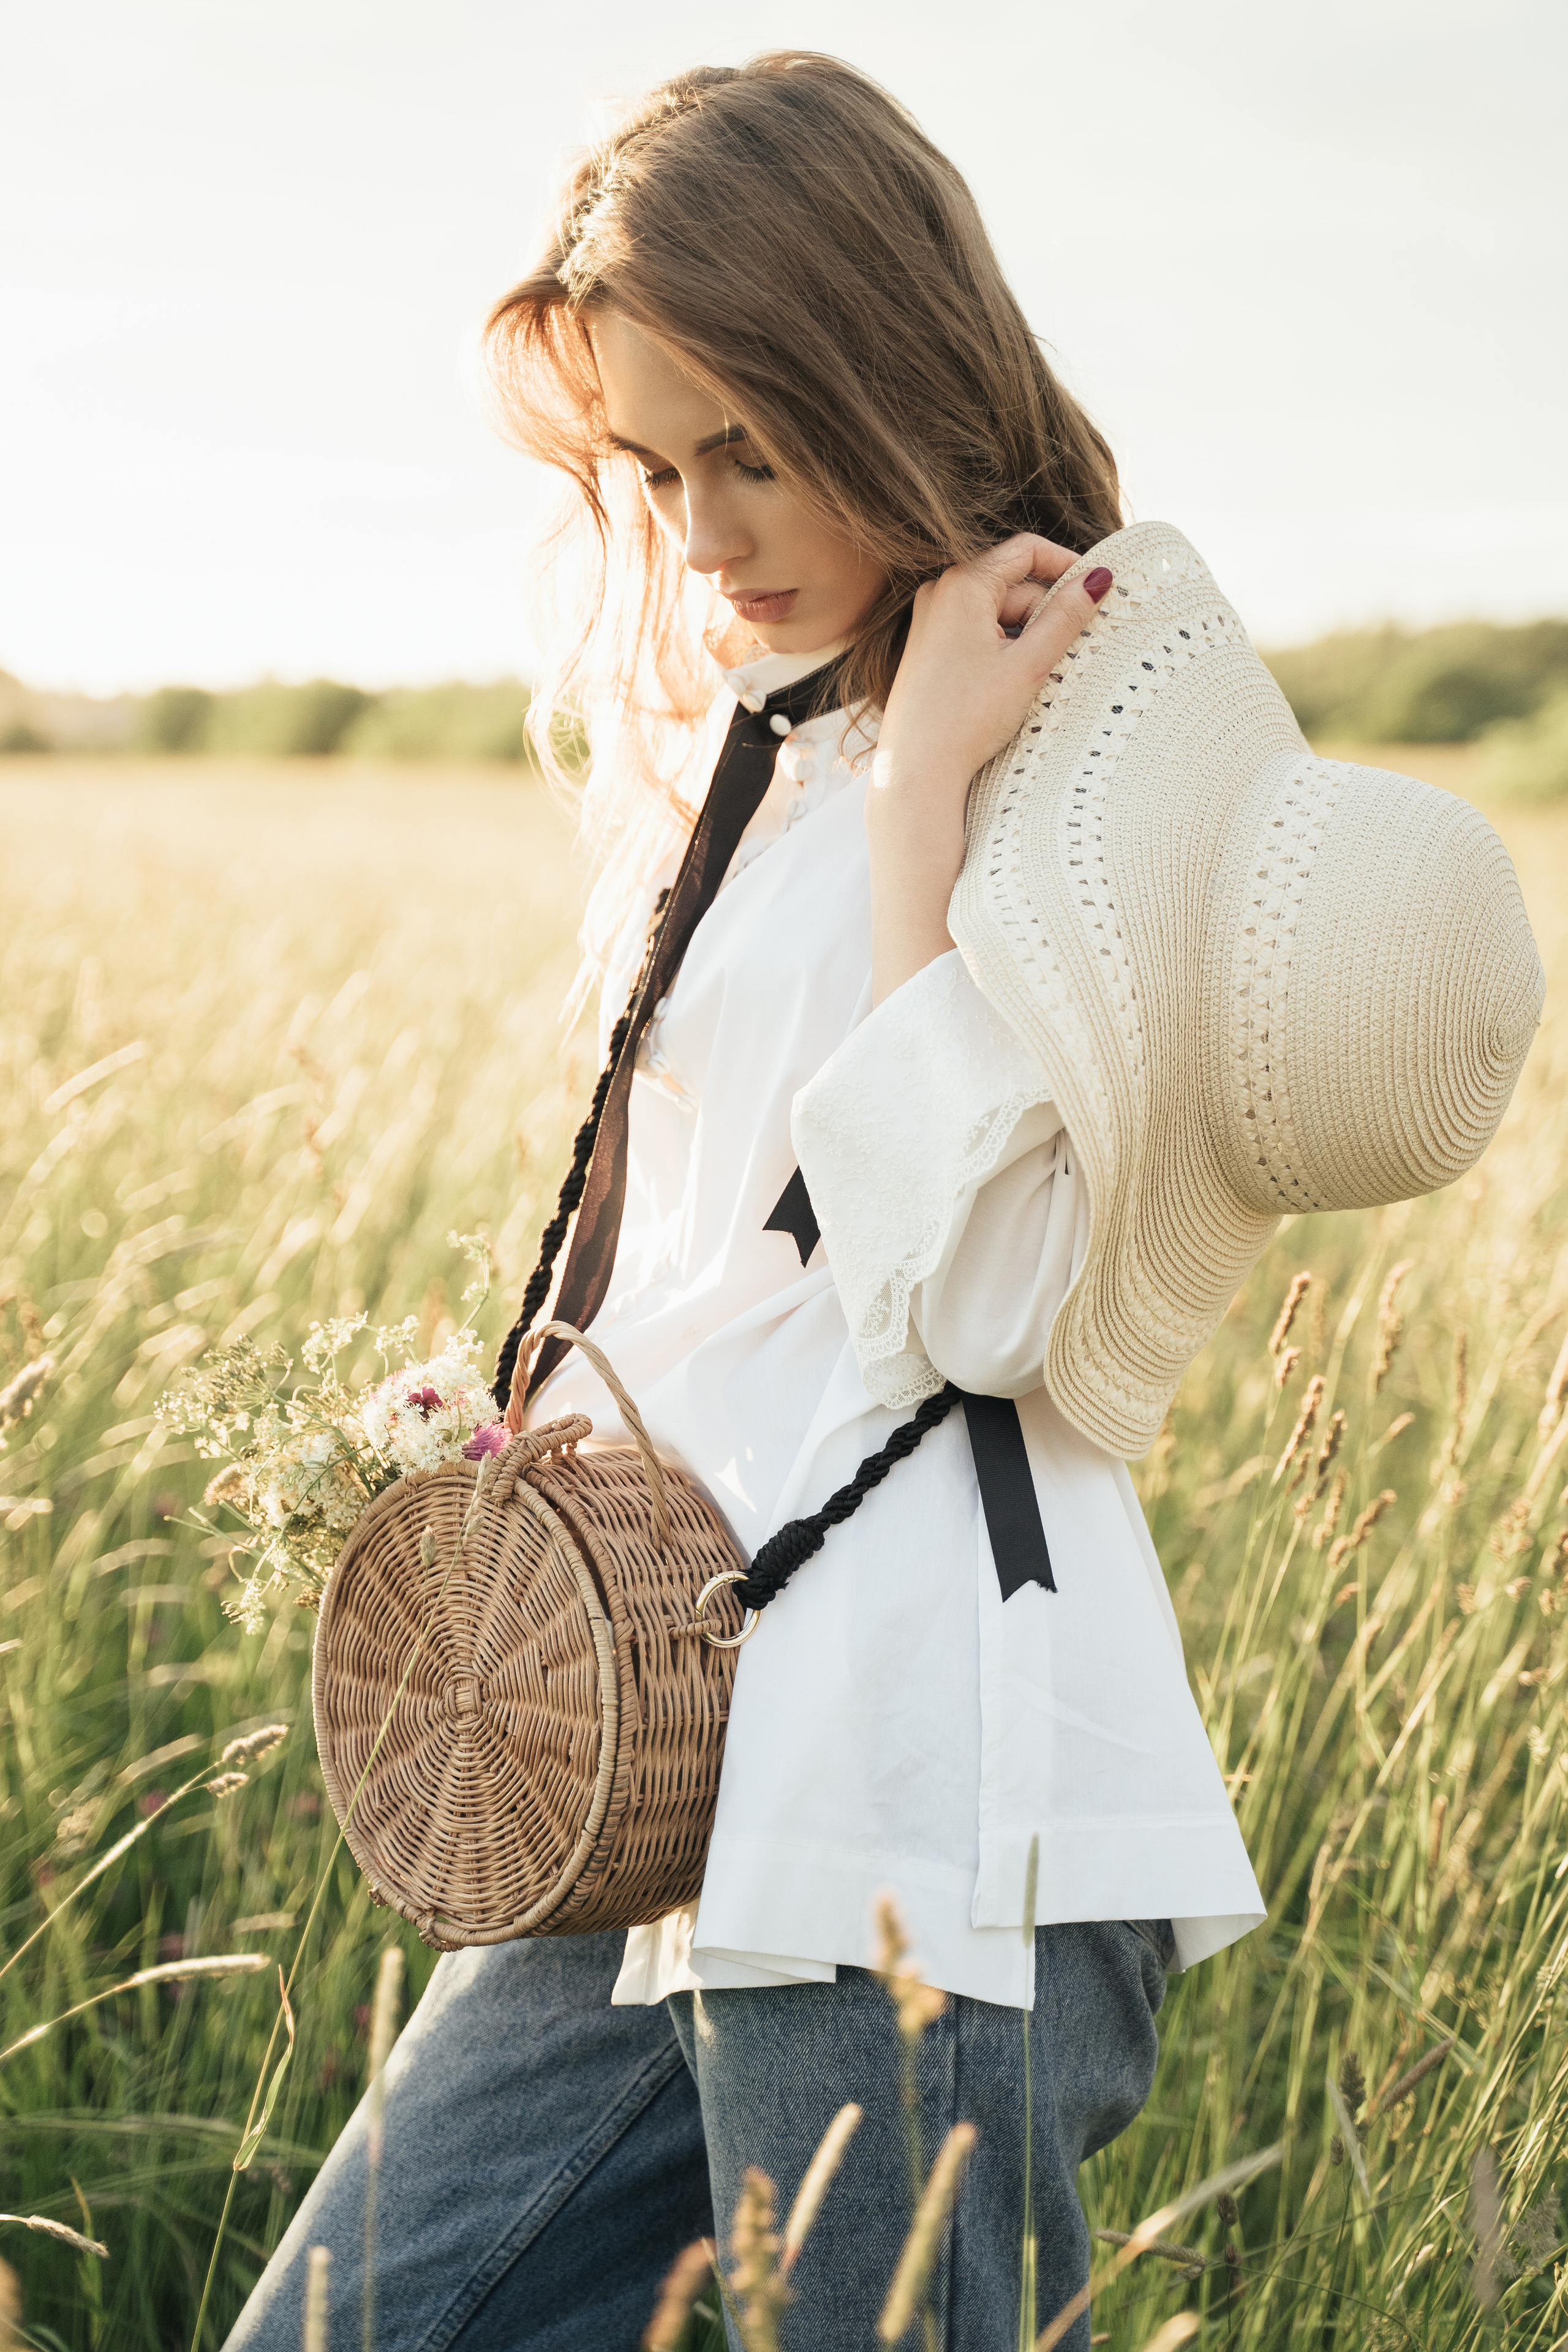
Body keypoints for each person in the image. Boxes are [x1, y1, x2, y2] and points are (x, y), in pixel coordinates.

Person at [226, 51, 1263, 2352]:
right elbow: (758, 1253)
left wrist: (926, 822)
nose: (700, 532)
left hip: (918, 1766)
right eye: (659, 464)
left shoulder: (1092, 717)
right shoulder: (770, 735)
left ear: (884, 362)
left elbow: (993, 1303)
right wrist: (537, 1410)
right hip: (681, 1752)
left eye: (751, 448)